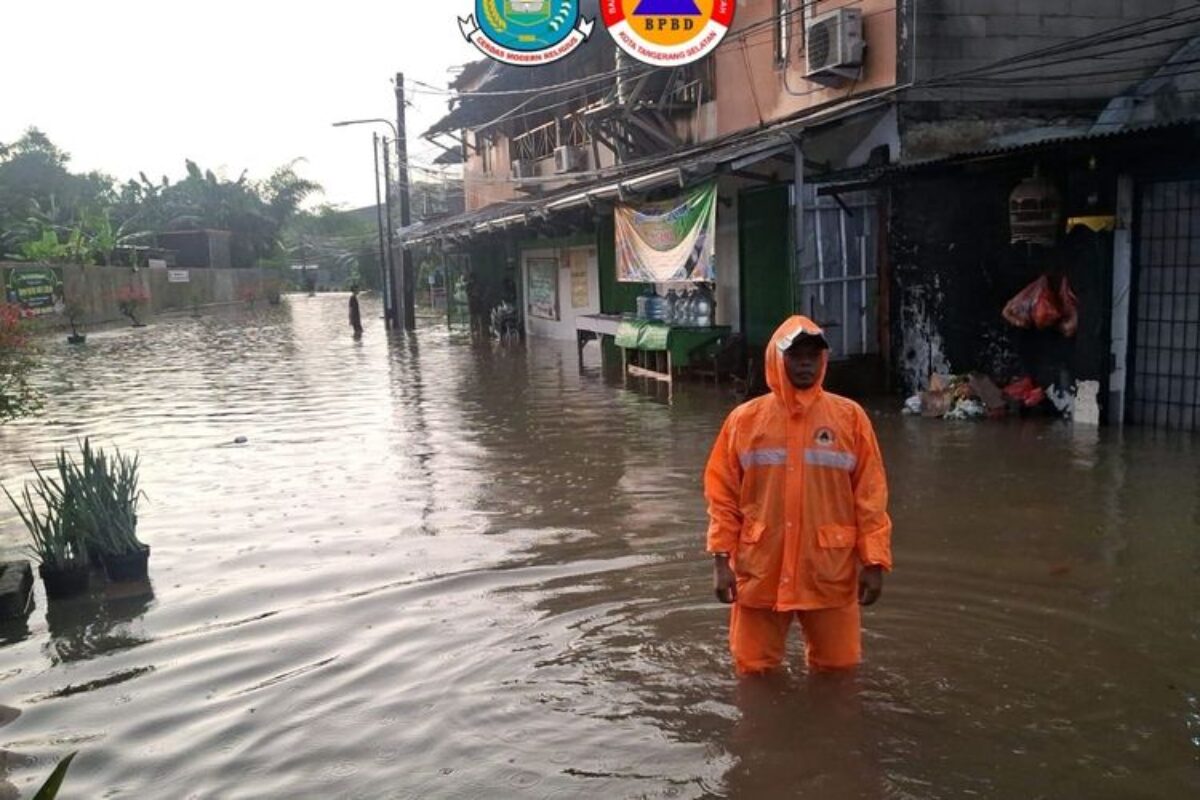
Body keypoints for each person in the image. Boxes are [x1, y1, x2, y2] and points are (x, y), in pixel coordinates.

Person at [704, 316, 892, 674]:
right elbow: (722, 496)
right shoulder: (744, 421)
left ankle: (830, 730)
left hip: (828, 571)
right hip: (761, 568)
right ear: (778, 359)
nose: (805, 362)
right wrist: (720, 561)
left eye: (813, 355)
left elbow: (871, 496)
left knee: (839, 672)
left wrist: (874, 562)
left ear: (823, 361)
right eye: (796, 355)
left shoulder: (850, 418)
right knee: (753, 671)